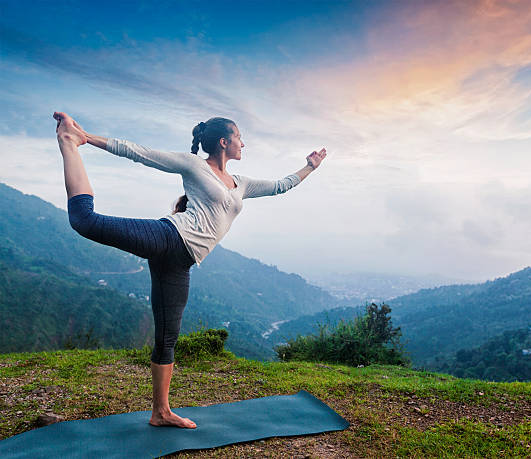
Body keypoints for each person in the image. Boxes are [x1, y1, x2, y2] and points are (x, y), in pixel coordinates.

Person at [53, 111, 326, 428]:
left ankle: (161, 412)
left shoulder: (243, 184)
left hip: (180, 262)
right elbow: (139, 152)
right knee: (85, 220)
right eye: (239, 137)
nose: (243, 143)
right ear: (224, 142)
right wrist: (86, 137)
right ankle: (69, 143)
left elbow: (282, 185)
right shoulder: (195, 165)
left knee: (167, 338)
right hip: (167, 237)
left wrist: (310, 166)